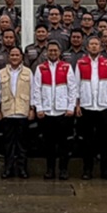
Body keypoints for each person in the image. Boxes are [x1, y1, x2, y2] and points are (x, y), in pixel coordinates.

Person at [31, 41, 77, 180]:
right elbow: (36, 89)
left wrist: (71, 107)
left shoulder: (66, 67)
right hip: (46, 112)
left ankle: (63, 169)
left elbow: (72, 89)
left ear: (59, 52)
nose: (52, 53)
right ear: (46, 53)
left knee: (64, 143)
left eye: (55, 50)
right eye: (50, 50)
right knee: (48, 143)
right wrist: (39, 107)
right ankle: (50, 170)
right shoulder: (40, 68)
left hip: (63, 111)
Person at [76, 37, 107, 180]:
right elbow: (77, 85)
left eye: (96, 44)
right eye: (91, 44)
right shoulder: (81, 63)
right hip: (87, 105)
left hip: (104, 106)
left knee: (105, 140)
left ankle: (105, 170)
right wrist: (77, 104)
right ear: (87, 47)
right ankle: (87, 170)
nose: (94, 47)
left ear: (100, 47)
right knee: (87, 140)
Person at [0, 45, 33, 178]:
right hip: (7, 112)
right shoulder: (2, 73)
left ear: (21, 57)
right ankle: (8, 169)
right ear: (8, 57)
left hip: (23, 111)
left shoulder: (28, 72)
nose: (15, 57)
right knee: (8, 143)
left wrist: (32, 109)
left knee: (22, 144)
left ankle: (22, 169)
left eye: (17, 55)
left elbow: (33, 91)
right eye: (12, 55)